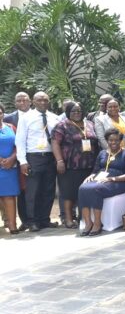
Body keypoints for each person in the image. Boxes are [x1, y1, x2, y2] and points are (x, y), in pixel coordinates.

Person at [78, 128, 125, 236]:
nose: (113, 143)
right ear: (107, 140)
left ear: (120, 141)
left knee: (96, 189)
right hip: (100, 179)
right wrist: (90, 176)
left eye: (116, 140)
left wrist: (111, 179)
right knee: (82, 188)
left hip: (119, 182)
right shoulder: (102, 153)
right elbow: (95, 170)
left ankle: (97, 223)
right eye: (110, 140)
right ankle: (88, 223)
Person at [16, 92, 60, 232]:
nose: (43, 103)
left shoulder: (54, 117)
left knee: (48, 190)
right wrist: (22, 161)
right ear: (33, 102)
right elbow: (20, 140)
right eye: (39, 100)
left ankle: (44, 219)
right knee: (32, 191)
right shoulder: (26, 118)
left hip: (50, 157)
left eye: (45, 100)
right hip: (33, 157)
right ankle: (32, 221)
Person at [51, 102, 99, 229]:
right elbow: (55, 143)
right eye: (73, 111)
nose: (77, 113)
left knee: (84, 192)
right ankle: (68, 219)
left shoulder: (89, 124)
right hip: (69, 165)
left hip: (88, 164)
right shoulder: (62, 125)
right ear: (68, 113)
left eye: (79, 111)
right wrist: (59, 161)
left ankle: (83, 218)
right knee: (68, 193)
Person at [3, 92, 31, 228]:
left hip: (28, 160)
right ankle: (12, 220)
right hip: (10, 164)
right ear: (15, 103)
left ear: (30, 101)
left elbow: (19, 142)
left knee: (28, 190)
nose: (22, 102)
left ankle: (32, 220)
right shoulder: (9, 118)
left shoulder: (36, 116)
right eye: (18, 100)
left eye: (24, 100)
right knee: (15, 192)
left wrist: (12, 158)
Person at [0, 104, 20, 234]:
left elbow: (19, 144)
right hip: (2, 164)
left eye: (0, 112)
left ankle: (13, 225)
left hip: (9, 168)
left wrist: (12, 158)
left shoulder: (10, 127)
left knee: (9, 196)